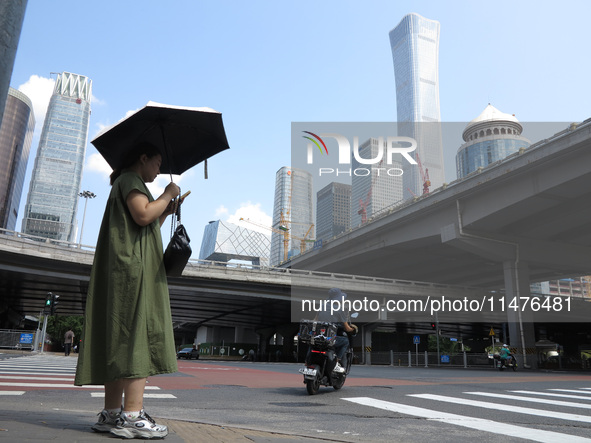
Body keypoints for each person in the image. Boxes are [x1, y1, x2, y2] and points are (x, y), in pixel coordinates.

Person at [74, 142, 180, 439]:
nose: (159, 170)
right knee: (138, 338)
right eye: (157, 163)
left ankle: (111, 414)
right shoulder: (131, 181)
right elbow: (143, 215)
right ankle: (132, 415)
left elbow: (147, 225)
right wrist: (168, 194)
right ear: (142, 158)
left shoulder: (124, 182)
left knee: (121, 340)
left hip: (125, 269)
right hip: (134, 272)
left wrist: (166, 210)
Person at [317, 288, 357, 373]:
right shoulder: (340, 310)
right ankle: (337, 361)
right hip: (330, 338)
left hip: (319, 336)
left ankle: (307, 362)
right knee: (345, 341)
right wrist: (353, 329)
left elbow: (315, 320)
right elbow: (347, 328)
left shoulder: (322, 306)